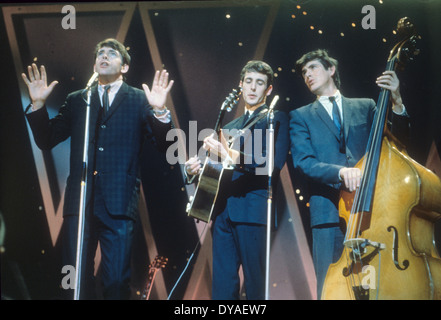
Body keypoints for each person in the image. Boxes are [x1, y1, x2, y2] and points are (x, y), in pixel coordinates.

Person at [22, 38, 174, 299]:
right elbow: (47, 140)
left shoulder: (139, 100)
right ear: (94, 64)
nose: (104, 57)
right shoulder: (79, 99)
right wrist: (37, 105)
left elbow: (163, 144)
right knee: (76, 282)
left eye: (112, 54)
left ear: (124, 67)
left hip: (119, 202)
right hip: (80, 202)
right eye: (100, 54)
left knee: (116, 282)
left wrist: (160, 111)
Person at [289, 49, 410, 299]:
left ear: (331, 70)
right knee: (329, 288)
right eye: (304, 72)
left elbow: (399, 140)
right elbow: (303, 162)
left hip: (370, 212)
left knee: (373, 287)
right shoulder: (300, 116)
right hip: (328, 217)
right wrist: (341, 172)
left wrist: (396, 100)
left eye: (313, 68)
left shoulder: (365, 106)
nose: (308, 75)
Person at [185, 60, 290, 300]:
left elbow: (271, 165)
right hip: (223, 213)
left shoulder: (276, 119)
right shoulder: (230, 125)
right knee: (222, 285)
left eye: (260, 83)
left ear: (268, 89)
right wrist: (195, 169)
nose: (253, 88)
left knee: (255, 284)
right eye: (249, 82)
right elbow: (218, 169)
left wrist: (229, 154)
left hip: (254, 211)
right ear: (241, 85)